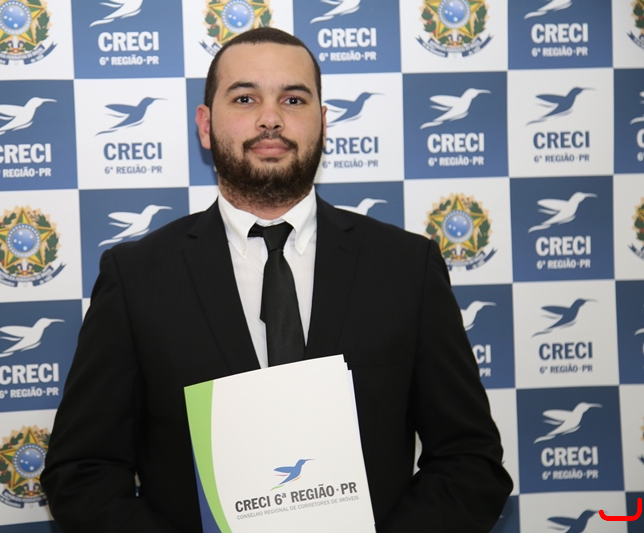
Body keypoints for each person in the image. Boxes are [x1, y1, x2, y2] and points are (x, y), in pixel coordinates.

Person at [41, 27, 512, 532]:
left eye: (293, 99)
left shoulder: (406, 267)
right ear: (205, 126)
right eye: (245, 98)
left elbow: (470, 462)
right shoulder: (137, 278)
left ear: (323, 123)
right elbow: (81, 473)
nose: (270, 118)